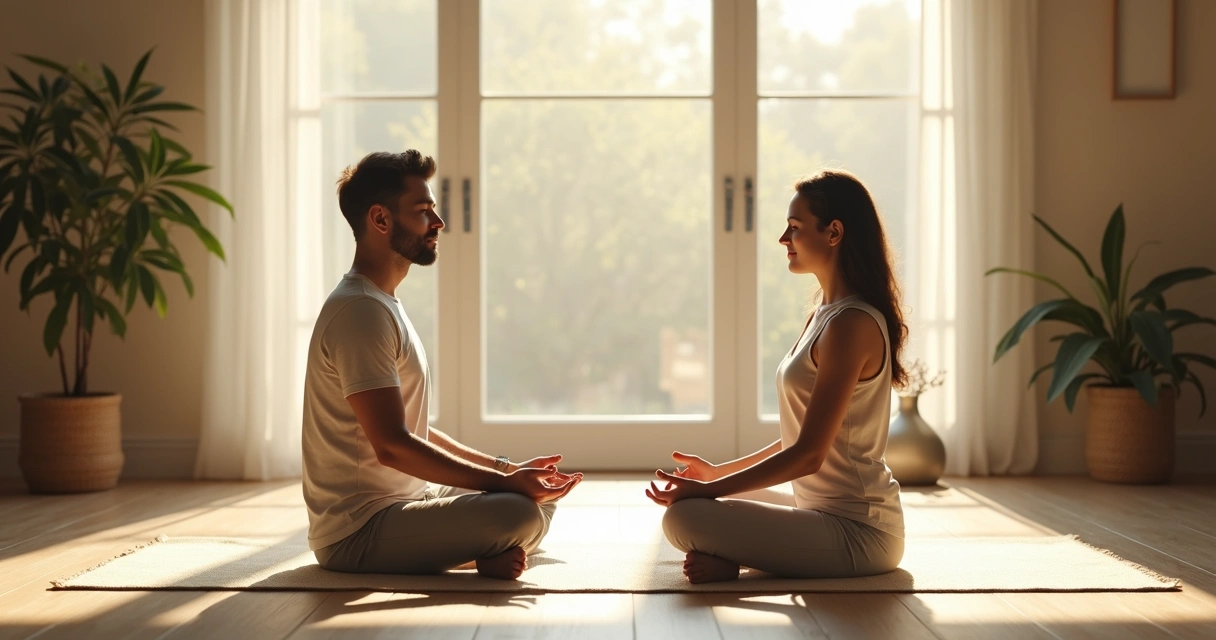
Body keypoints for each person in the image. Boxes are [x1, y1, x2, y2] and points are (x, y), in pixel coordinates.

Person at [302, 150, 582, 580]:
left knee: (539, 491)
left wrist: (504, 469)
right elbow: (392, 445)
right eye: (423, 211)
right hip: (358, 532)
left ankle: (473, 545)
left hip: (410, 501)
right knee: (517, 512)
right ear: (380, 219)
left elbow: (414, 427)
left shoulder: (381, 303)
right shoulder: (360, 311)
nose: (438, 222)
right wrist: (504, 486)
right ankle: (479, 545)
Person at [646, 169, 907, 583]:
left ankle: (743, 559)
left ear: (834, 232)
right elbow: (800, 433)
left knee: (687, 518)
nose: (783, 240)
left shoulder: (851, 323)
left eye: (794, 228)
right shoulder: (825, 315)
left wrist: (709, 491)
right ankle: (746, 553)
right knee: (690, 510)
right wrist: (717, 474)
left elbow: (809, 454)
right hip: (815, 509)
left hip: (859, 532)